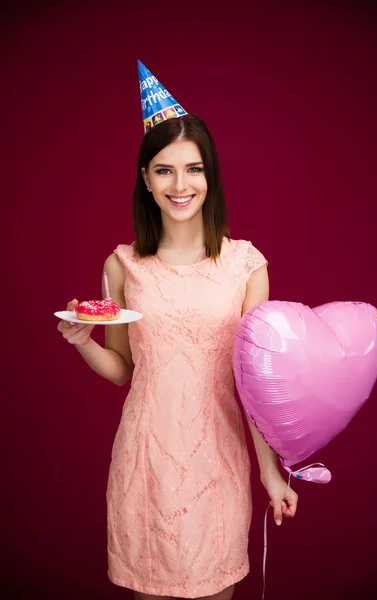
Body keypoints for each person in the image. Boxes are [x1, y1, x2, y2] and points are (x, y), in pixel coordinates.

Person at [58, 114, 298, 600]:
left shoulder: (246, 265)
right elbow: (121, 370)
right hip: (146, 460)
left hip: (217, 462)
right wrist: (84, 341)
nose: (180, 184)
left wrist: (271, 473)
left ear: (210, 177)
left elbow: (254, 386)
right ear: (146, 179)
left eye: (194, 168)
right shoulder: (122, 264)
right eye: (164, 170)